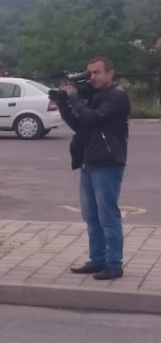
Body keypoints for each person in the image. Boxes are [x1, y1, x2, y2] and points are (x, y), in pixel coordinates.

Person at [51, 56, 130, 280]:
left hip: (108, 161)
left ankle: (114, 264)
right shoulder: (96, 95)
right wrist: (63, 103)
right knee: (91, 216)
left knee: (108, 216)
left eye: (97, 72)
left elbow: (92, 118)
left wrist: (74, 96)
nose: (92, 77)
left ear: (110, 73)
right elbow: (79, 124)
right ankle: (98, 260)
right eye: (90, 73)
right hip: (89, 161)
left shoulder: (117, 96)